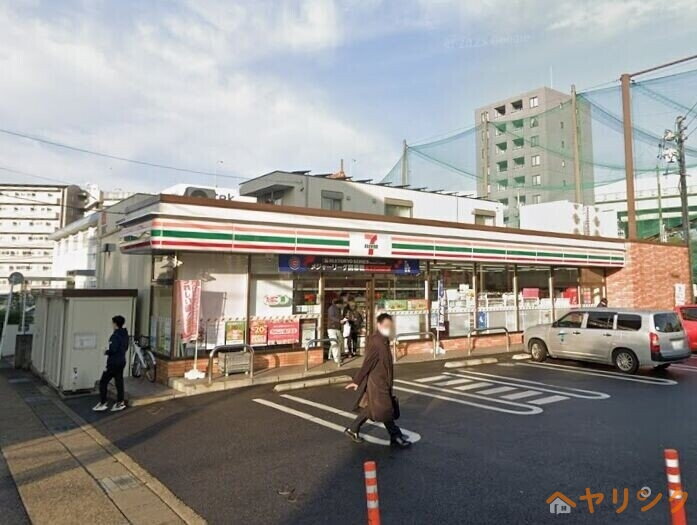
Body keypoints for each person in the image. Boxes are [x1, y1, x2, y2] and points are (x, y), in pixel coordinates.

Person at [344, 313, 411, 448]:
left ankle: (353, 429)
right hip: (377, 383)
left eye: (390, 326)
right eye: (386, 325)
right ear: (379, 325)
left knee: (373, 408)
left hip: (383, 381)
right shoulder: (377, 342)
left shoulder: (383, 340)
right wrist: (357, 380)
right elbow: (367, 363)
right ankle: (396, 436)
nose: (388, 328)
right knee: (385, 409)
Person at [93, 315, 129, 412]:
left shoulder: (115, 336)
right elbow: (126, 347)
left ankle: (103, 402)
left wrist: (106, 352)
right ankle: (120, 402)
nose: (111, 325)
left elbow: (113, 349)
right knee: (119, 382)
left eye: (112, 323)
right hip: (122, 361)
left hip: (113, 362)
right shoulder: (125, 335)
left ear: (115, 324)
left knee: (103, 382)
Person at [326, 297, 345, 364]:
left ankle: (334, 355)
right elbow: (331, 317)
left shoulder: (338, 309)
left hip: (337, 328)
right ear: (338, 304)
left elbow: (340, 317)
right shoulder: (331, 308)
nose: (342, 305)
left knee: (339, 342)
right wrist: (339, 321)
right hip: (332, 328)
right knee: (334, 343)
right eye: (341, 304)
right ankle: (336, 359)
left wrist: (343, 320)